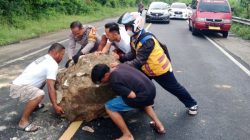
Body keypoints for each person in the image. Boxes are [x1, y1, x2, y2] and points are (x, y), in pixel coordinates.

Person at [114, 12, 198, 115]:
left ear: (136, 25)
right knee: (139, 86)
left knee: (174, 88)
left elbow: (139, 60)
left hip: (160, 70)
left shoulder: (147, 40)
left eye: (128, 27)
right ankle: (146, 103)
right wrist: (121, 58)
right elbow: (133, 53)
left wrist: (121, 66)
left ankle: (192, 104)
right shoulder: (134, 38)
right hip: (147, 69)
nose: (127, 30)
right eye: (126, 27)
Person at [91, 63, 165, 140]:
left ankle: (127, 135)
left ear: (106, 75)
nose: (101, 82)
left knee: (109, 107)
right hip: (151, 89)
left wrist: (121, 94)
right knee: (142, 96)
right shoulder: (119, 66)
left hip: (143, 97)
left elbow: (132, 95)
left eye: (100, 80)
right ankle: (159, 125)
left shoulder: (114, 81)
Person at [9, 43, 65, 132]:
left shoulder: (44, 58)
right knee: (40, 94)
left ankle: (34, 106)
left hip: (18, 84)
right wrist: (55, 105)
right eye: (62, 54)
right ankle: (23, 122)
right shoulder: (52, 64)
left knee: (44, 80)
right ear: (55, 53)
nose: (62, 57)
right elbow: (50, 87)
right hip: (19, 88)